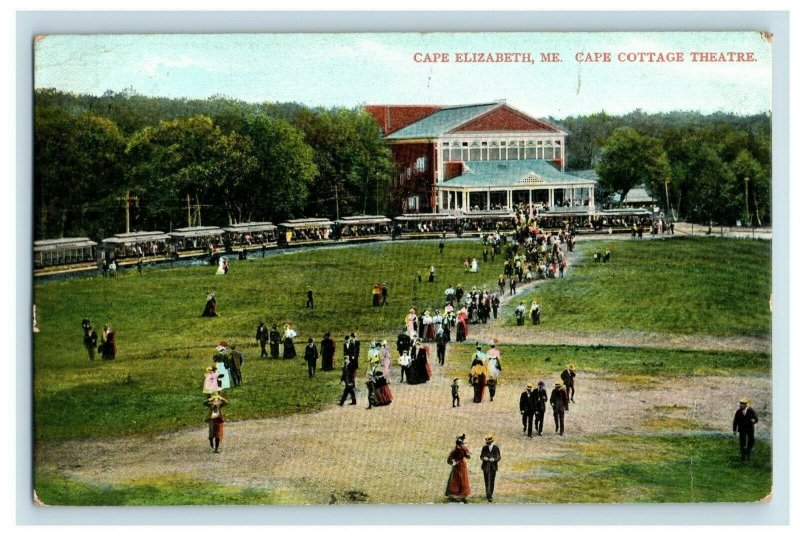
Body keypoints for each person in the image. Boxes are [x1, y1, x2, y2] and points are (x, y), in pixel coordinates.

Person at [445, 434, 471, 503]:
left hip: (462, 466)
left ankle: (463, 495)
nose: (460, 446)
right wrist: (453, 461)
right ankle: (454, 495)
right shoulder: (454, 451)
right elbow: (449, 460)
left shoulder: (464, 449)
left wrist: (467, 453)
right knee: (455, 480)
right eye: (459, 445)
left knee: (463, 479)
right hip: (456, 467)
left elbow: (468, 457)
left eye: (461, 444)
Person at [480, 435, 501, 502]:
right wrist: (484, 458)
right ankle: (488, 494)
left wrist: (494, 459)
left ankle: (490, 494)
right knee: (487, 480)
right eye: (487, 442)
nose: (487, 443)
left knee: (492, 480)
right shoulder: (484, 448)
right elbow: (481, 456)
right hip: (485, 466)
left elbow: (499, 457)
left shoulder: (496, 448)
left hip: (493, 467)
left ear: (492, 441)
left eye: (489, 442)